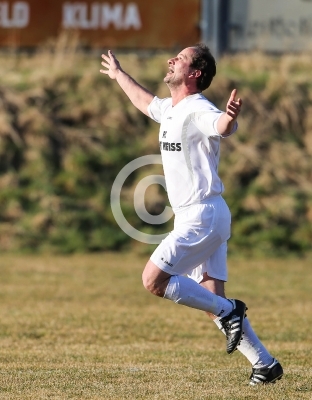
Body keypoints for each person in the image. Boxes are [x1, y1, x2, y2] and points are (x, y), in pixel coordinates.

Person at [100, 43, 283, 385]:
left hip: (202, 216)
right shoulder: (172, 108)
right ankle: (265, 365)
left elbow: (221, 126)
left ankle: (231, 311)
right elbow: (145, 102)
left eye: (180, 59)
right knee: (212, 300)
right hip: (204, 215)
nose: (171, 60)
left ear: (194, 74)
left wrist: (229, 116)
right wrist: (119, 75)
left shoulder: (199, 109)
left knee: (154, 281)